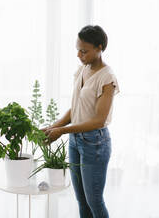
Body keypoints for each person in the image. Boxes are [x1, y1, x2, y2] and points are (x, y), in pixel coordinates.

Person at [41, 25, 120, 218]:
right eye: (77, 49)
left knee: (94, 201)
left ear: (99, 48)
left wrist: (62, 131)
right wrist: (54, 126)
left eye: (84, 51)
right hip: (76, 141)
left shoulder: (107, 78)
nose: (79, 55)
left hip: (95, 143)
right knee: (81, 201)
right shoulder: (82, 70)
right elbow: (75, 108)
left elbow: (99, 121)